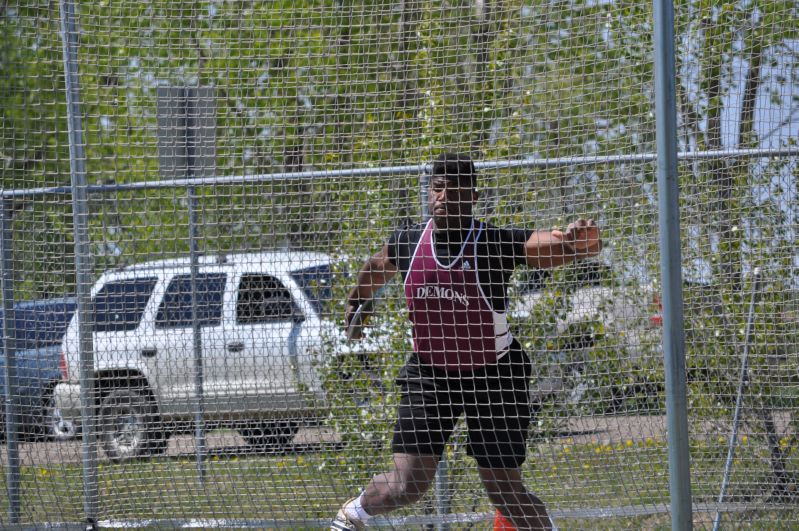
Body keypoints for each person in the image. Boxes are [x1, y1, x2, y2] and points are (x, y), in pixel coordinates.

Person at [332, 153, 602, 530]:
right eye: (437, 188)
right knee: (407, 486)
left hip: (494, 375)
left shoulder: (490, 242)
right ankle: (350, 516)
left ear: (473, 196)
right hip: (430, 374)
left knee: (504, 491)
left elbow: (542, 246)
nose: (443, 197)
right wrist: (358, 302)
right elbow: (377, 267)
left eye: (455, 191)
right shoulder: (409, 241)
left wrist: (576, 245)